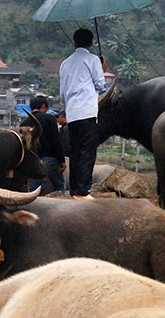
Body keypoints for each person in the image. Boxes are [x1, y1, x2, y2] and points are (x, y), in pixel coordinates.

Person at [59, 28, 107, 200]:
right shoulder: (93, 59)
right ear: (91, 42)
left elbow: (62, 93)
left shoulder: (64, 63)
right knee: (87, 151)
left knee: (75, 151)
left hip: (72, 113)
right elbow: (100, 84)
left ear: (74, 42)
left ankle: (74, 190)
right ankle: (82, 190)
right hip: (87, 111)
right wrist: (102, 69)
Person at [21, 95, 65, 194]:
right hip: (49, 160)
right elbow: (56, 141)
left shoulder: (24, 123)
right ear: (44, 106)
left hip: (32, 161)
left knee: (32, 189)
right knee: (60, 186)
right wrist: (61, 160)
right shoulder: (49, 119)